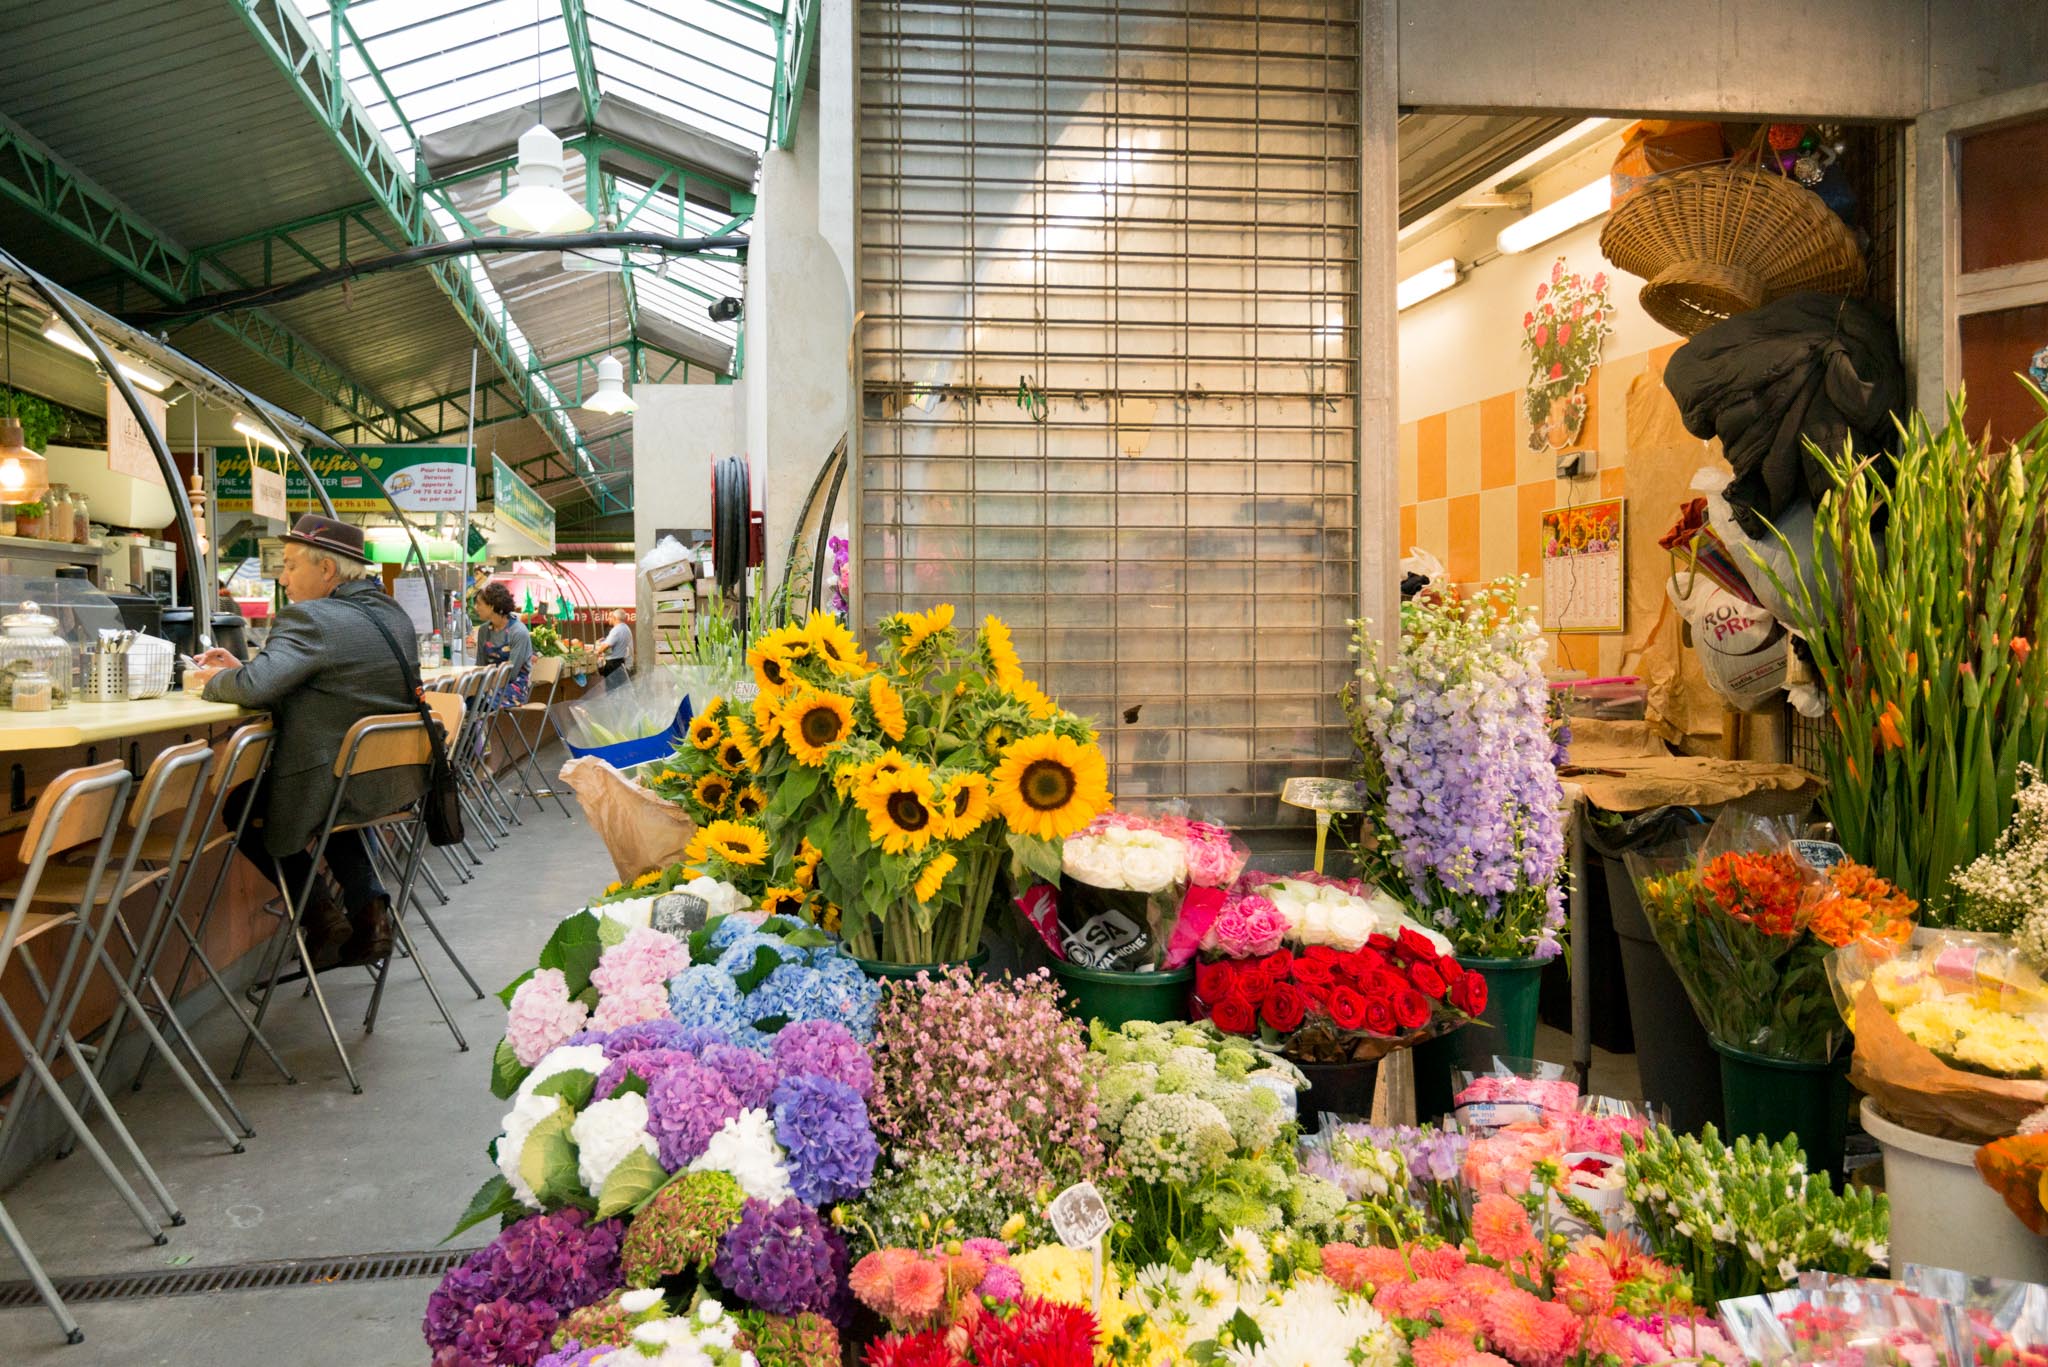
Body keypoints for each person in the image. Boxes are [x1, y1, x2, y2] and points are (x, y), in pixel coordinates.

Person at [185, 515, 422, 972]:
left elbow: (255, 690)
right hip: (391, 783)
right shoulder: (392, 614)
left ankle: (319, 916)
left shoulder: (311, 617)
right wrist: (250, 666)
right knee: (334, 810)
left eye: (291, 565)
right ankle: (371, 912)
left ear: (327, 570)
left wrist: (213, 679)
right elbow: (321, 676)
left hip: (334, 782)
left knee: (244, 805)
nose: (283, 576)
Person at [471, 580, 532, 705]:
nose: (475, 608)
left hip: (514, 687)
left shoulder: (518, 632)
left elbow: (511, 673)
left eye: (479, 604)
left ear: (492, 606)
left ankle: (479, 724)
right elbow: (480, 666)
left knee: (482, 701)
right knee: (462, 699)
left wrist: (486, 687)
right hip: (489, 685)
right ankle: (475, 724)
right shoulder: (484, 631)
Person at [598, 608, 634, 691]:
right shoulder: (626, 628)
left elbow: (606, 646)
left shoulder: (616, 630)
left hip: (613, 664)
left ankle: (613, 704)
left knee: (611, 689)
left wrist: (598, 651)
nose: (608, 619)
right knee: (619, 689)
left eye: (610, 617)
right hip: (620, 662)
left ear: (615, 618)